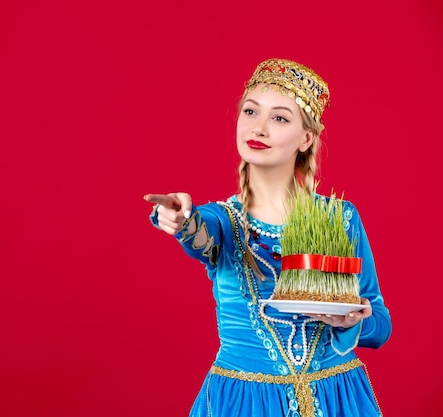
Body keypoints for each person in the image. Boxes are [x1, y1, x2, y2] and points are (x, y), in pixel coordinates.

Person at [144, 58, 392, 417]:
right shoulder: (223, 221)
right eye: (250, 111)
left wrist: (354, 320)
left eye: (279, 118)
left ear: (306, 138)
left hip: (338, 398)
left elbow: (380, 325)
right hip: (246, 402)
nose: (258, 128)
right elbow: (200, 234)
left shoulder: (341, 218)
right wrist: (181, 218)